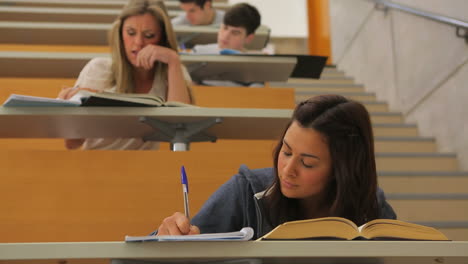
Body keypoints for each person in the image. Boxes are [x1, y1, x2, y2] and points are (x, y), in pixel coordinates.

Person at [154, 94, 397, 239]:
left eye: (307, 163)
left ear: (342, 170)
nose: (287, 169)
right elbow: (176, 248)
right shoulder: (246, 191)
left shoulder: (371, 206)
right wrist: (166, 236)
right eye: (286, 151)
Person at [58, 0, 193, 150]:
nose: (138, 43)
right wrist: (76, 109)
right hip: (95, 164)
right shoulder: (99, 69)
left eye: (149, 35)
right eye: (130, 33)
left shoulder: (173, 72)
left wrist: (173, 61)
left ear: (162, 38)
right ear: (120, 34)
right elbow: (72, 143)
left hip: (146, 167)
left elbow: (180, 134)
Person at [192, 2, 261, 54]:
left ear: (249, 38)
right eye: (225, 28)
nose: (225, 36)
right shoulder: (199, 52)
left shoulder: (255, 65)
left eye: (235, 33)